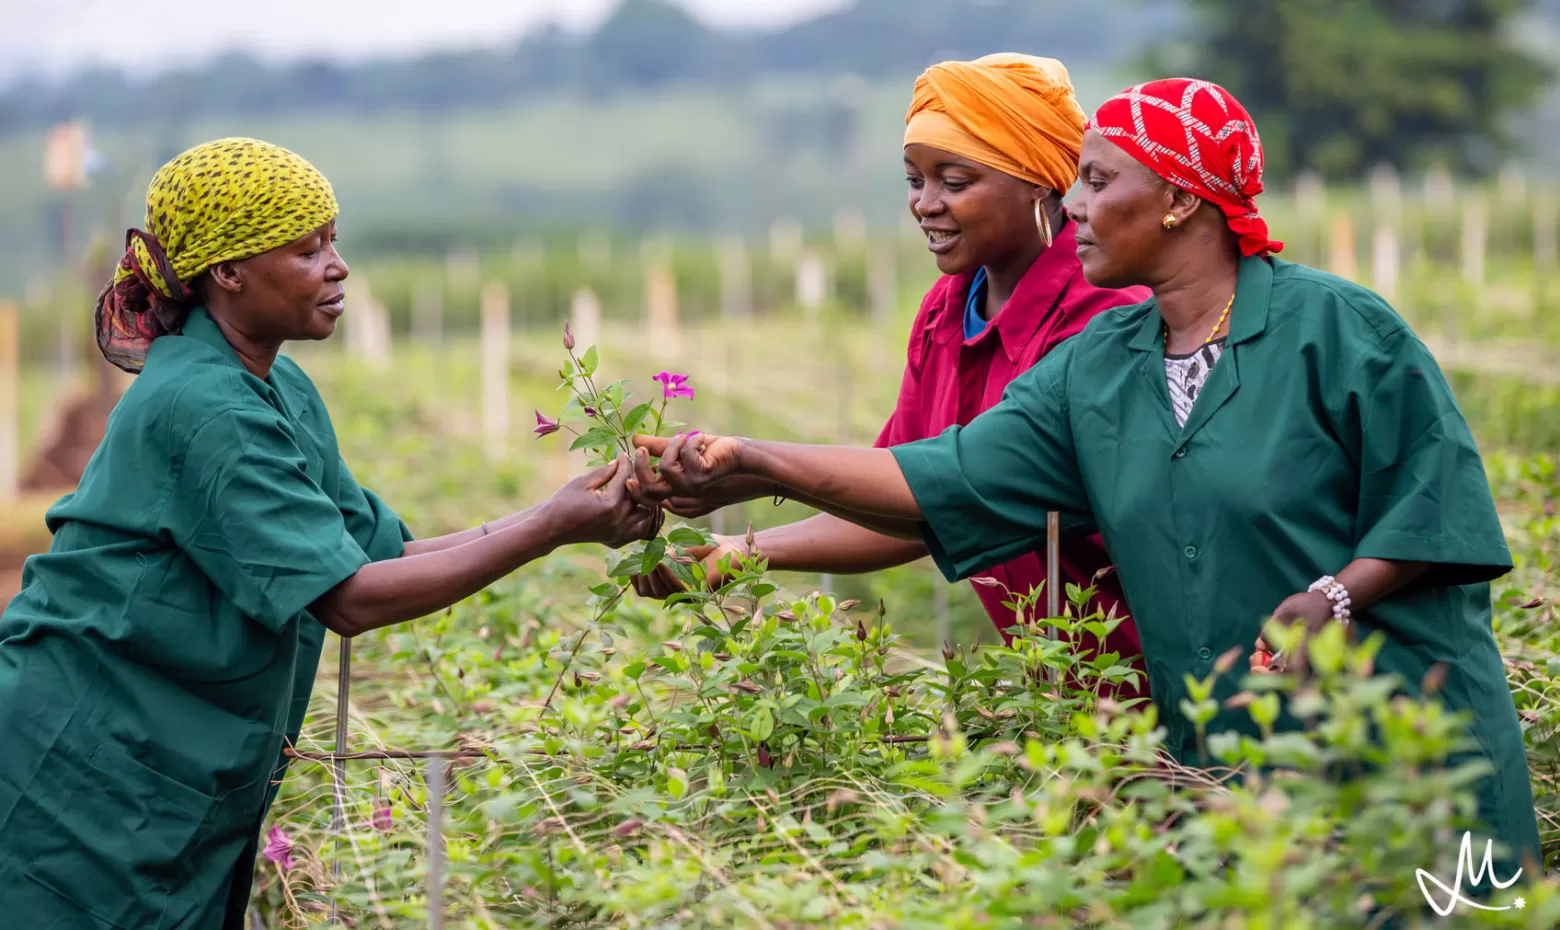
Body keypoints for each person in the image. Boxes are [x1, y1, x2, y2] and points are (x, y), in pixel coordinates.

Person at [629, 79, 1542, 880]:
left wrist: (1339, 593)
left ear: (1181, 200)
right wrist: (753, 465)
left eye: (1098, 182)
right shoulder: (1097, 367)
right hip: (1233, 769)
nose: (1072, 207)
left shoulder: (1338, 329)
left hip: (1411, 752)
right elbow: (943, 476)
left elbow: (1435, 499)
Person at [0, 138, 660, 930]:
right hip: (78, 769)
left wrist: (566, 514)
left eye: (334, 242)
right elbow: (348, 598)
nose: (337, 266)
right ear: (228, 272)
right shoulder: (205, 408)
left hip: (154, 766)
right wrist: (554, 526)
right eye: (307, 249)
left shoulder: (274, 385)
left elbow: (379, 554)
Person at [634, 54, 1150, 693]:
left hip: (1165, 677)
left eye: (955, 182)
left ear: (1041, 182)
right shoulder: (946, 310)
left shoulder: (1106, 315)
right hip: (1066, 695)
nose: (925, 205)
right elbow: (902, 498)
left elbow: (961, 494)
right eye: (914, 180)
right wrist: (739, 551)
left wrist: (752, 464)